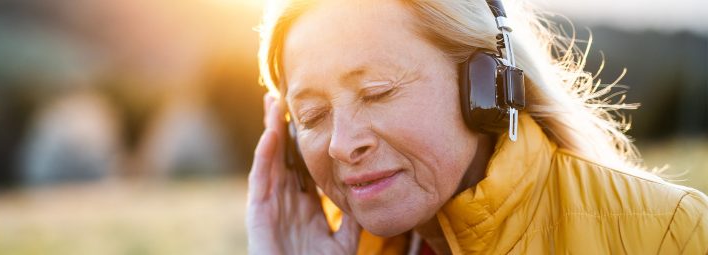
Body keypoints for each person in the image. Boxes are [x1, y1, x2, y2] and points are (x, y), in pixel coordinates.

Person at [246, 0, 708, 254]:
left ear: (485, 85)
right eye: (311, 116)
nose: (343, 145)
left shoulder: (674, 234)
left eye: (378, 91)